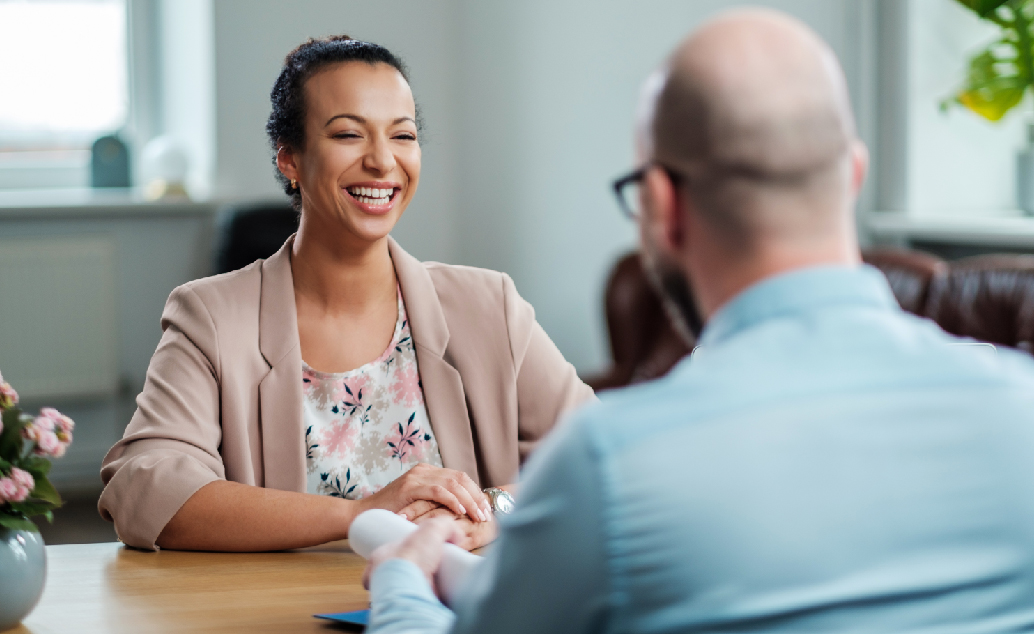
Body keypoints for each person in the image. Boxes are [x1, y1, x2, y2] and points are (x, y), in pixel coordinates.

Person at [360, 9, 1034, 633]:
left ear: (661, 205)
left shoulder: (609, 466)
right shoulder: (1022, 410)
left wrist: (401, 585)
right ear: (853, 176)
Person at [98, 35, 593, 552]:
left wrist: (495, 509)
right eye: (349, 134)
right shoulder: (212, 317)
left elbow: (610, 455)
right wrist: (360, 514)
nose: (383, 162)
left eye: (402, 136)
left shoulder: (489, 306)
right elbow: (144, 490)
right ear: (289, 158)